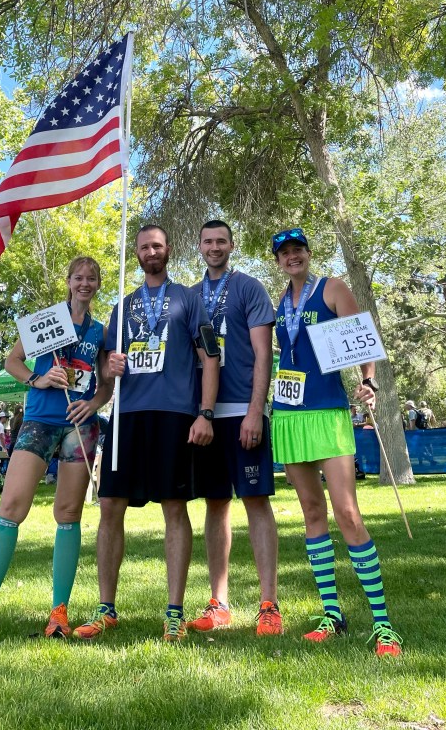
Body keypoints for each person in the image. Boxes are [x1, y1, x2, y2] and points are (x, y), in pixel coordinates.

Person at [0, 255, 113, 646]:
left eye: (92, 278)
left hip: (79, 427)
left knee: (69, 514)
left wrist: (94, 404)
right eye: (78, 277)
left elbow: (106, 383)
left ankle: (59, 612)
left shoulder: (101, 331)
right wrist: (37, 379)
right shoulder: (48, 320)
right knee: (11, 508)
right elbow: (13, 361)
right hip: (39, 421)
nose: (85, 283)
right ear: (68, 281)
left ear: (97, 284)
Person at [74, 224, 220, 644]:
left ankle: (174, 612)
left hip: (175, 414)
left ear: (167, 249)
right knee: (109, 505)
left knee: (174, 506)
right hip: (128, 415)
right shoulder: (123, 306)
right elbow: (106, 370)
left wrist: (205, 414)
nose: (151, 252)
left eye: (157, 246)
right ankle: (106, 608)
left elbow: (211, 357)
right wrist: (110, 367)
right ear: (136, 254)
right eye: (144, 247)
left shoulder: (189, 299)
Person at [271, 227, 402, 657]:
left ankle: (383, 625)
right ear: (278, 261)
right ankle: (333, 615)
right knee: (312, 512)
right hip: (288, 414)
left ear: (308, 253)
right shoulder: (281, 301)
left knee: (346, 511)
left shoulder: (332, 288)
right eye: (284, 253)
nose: (292, 257)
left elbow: (362, 338)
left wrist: (369, 381)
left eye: (298, 250)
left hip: (328, 413)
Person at [187, 220, 282, 636]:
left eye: (221, 241)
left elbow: (264, 354)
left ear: (231, 245)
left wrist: (255, 411)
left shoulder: (249, 288)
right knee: (215, 504)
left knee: (256, 501)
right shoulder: (190, 295)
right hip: (206, 415)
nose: (214, 247)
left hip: (243, 410)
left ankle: (269, 604)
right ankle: (219, 603)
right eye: (208, 241)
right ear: (199, 246)